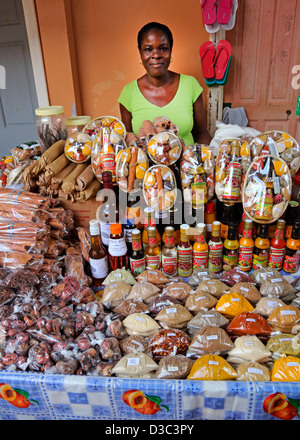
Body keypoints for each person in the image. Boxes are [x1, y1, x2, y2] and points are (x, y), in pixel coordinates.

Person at [118, 22, 212, 146]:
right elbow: (129, 141)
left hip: (188, 163)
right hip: (146, 165)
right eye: (148, 49)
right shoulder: (128, 93)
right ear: (140, 53)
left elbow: (202, 133)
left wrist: (204, 158)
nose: (156, 55)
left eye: (163, 48)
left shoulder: (190, 85)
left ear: (171, 50)